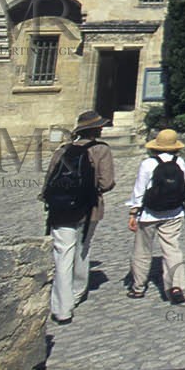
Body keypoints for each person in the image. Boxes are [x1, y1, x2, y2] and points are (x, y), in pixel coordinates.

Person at [42, 110, 115, 325]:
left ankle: (62, 308)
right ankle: (77, 292)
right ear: (96, 130)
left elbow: (49, 180)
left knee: (62, 255)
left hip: (60, 209)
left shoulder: (63, 150)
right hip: (89, 208)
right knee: (82, 249)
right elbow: (107, 182)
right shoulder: (101, 150)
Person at [127, 129, 185, 304]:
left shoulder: (148, 164)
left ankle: (138, 287)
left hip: (149, 213)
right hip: (174, 211)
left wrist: (133, 212)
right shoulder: (180, 162)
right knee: (172, 249)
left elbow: (139, 190)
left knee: (142, 250)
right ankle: (176, 286)